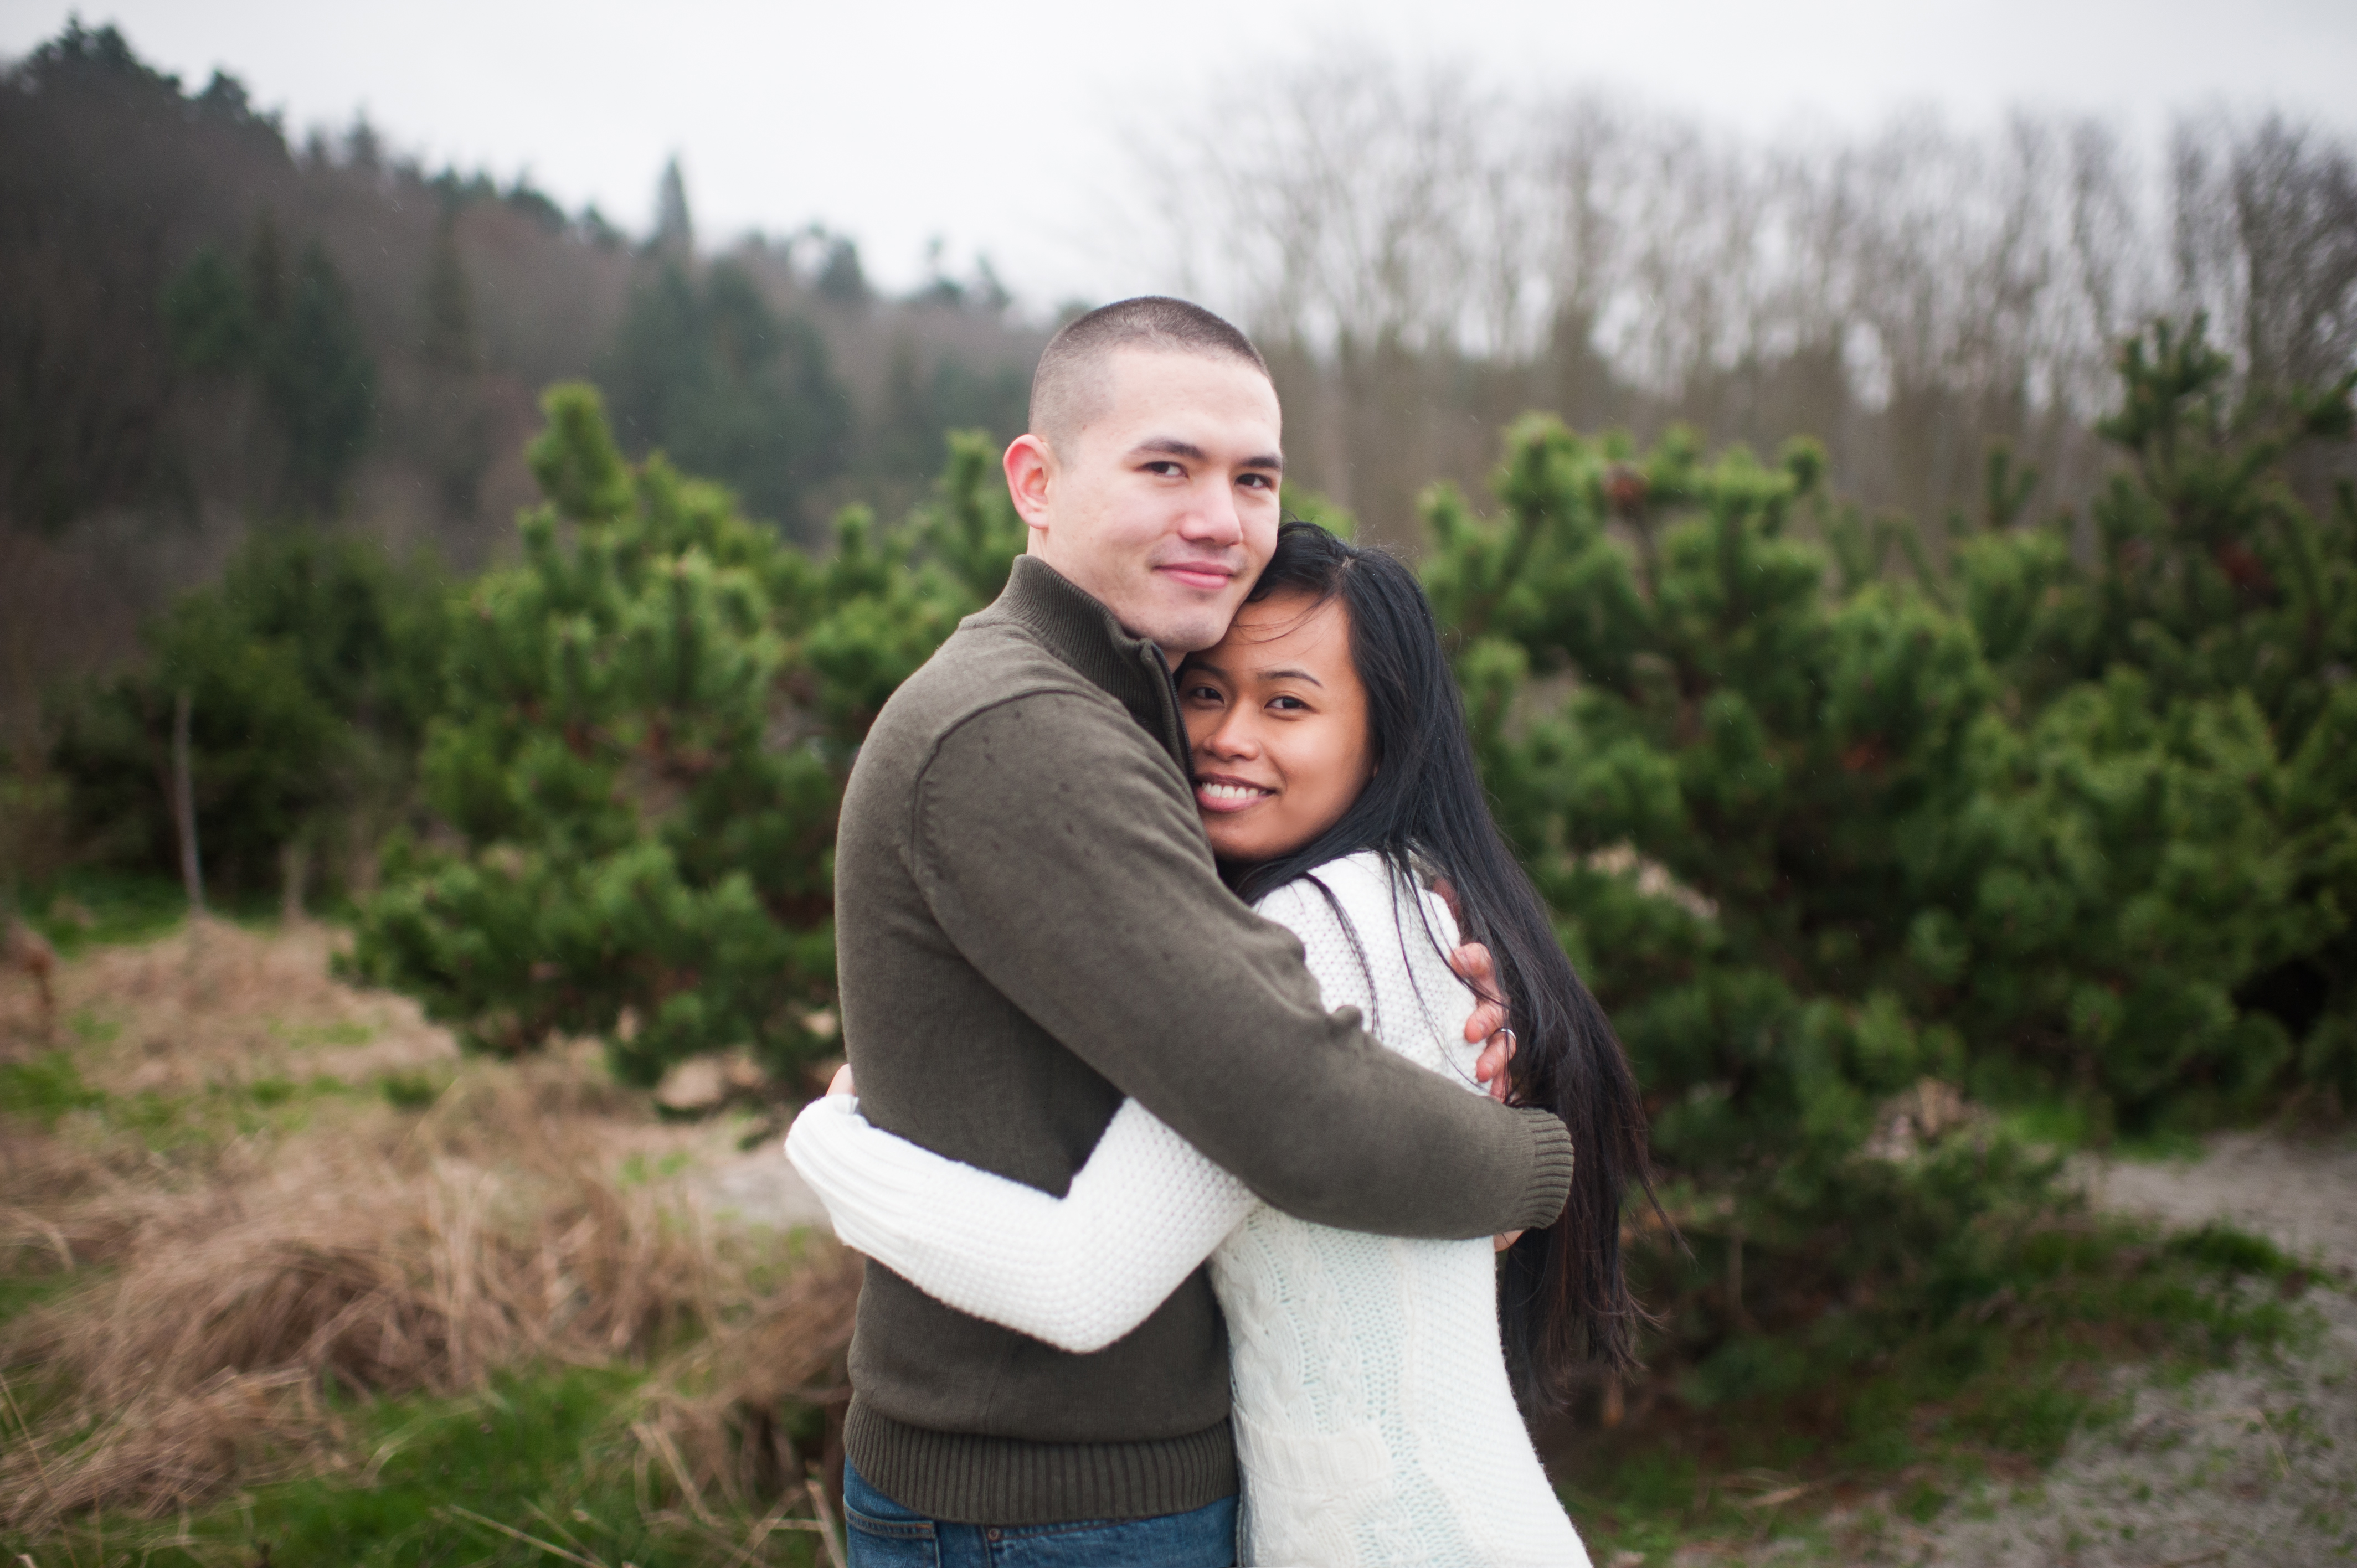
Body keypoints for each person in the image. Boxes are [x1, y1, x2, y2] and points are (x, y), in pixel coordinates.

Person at [814, 297, 1576, 1565]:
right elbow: (1288, 1101)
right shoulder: (1026, 730)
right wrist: (1536, 1165)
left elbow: (1271, 1074)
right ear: (1035, 480)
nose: (1219, 518)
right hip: (1043, 1502)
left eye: (1253, 477)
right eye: (1167, 466)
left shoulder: (1121, 714)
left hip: (1095, 1486)